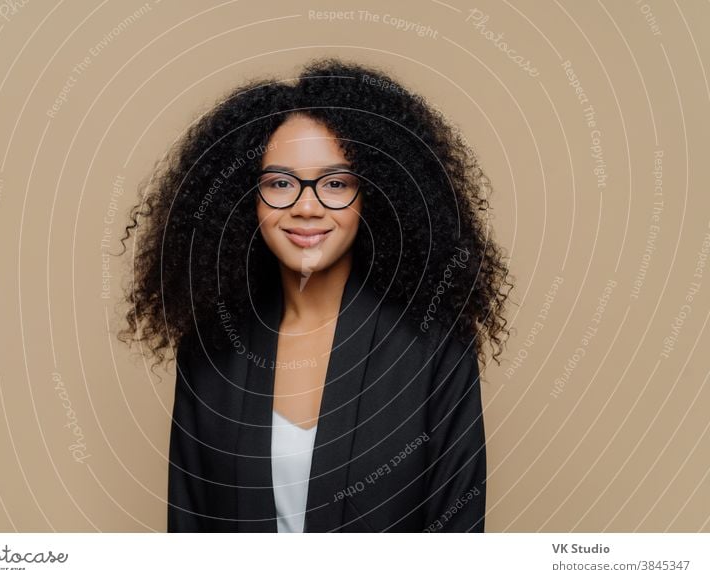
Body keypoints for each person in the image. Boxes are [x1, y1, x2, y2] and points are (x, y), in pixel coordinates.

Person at [117, 57, 513, 532]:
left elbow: (458, 536)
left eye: (336, 183)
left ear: (374, 195)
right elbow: (190, 534)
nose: (307, 207)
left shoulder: (434, 345)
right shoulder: (210, 349)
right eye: (281, 183)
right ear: (249, 200)